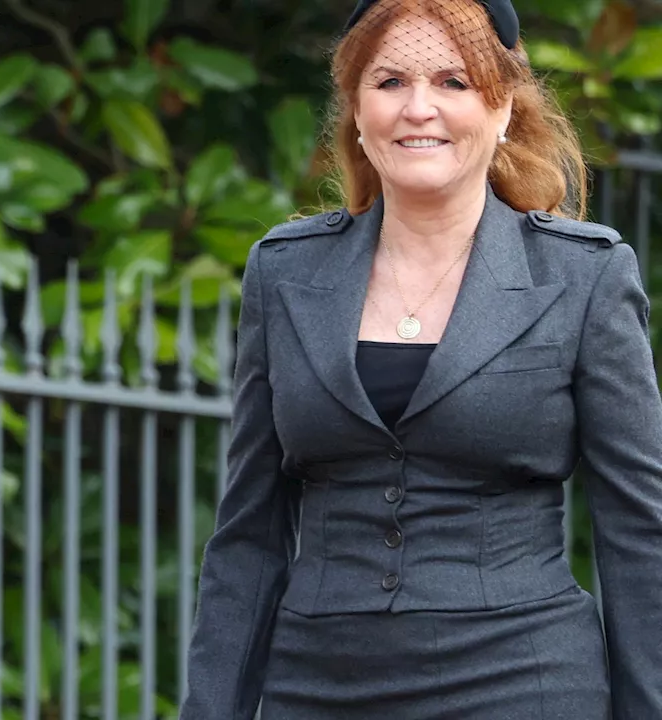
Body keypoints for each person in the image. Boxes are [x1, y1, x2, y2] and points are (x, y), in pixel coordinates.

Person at [181, 0, 662, 717]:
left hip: (519, 680)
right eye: (390, 82)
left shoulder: (584, 278)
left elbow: (638, 531)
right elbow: (248, 534)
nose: (419, 108)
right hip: (313, 686)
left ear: (502, 109)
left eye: (453, 82)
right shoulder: (284, 275)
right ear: (356, 110)